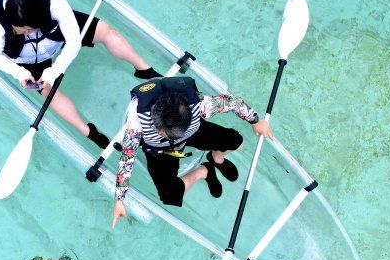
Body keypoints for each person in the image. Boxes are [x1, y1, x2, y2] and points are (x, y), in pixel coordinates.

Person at [0, 0, 161, 149]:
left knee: (106, 31)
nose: (28, 33)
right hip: (24, 56)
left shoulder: (53, 0)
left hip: (55, 36)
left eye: (32, 28)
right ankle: (88, 131)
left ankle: (143, 68)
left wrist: (53, 71)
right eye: (23, 30)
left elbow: (73, 41)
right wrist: (20, 73)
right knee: (46, 90)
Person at [110, 76, 274, 229]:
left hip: (191, 132)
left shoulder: (198, 103)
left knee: (236, 141)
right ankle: (204, 171)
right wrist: (119, 199)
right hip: (159, 149)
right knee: (170, 196)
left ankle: (216, 157)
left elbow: (231, 102)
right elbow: (127, 158)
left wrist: (255, 120)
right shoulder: (137, 120)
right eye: (162, 131)